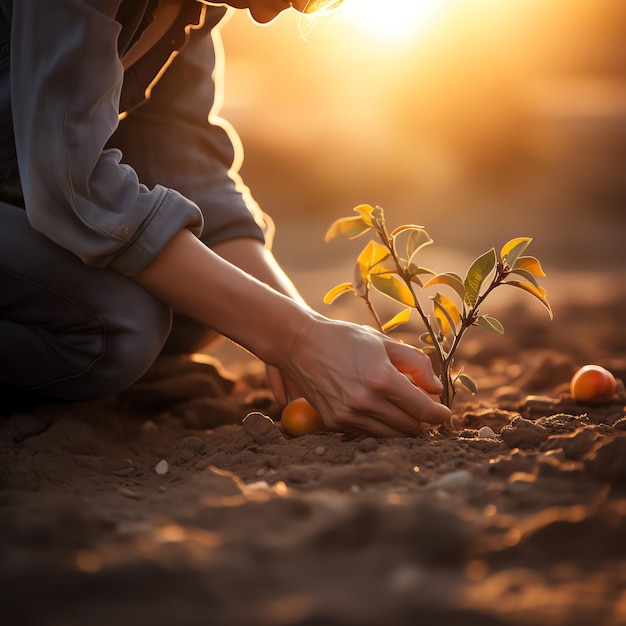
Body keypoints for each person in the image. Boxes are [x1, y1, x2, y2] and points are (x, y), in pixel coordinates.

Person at [0, 0, 451, 436]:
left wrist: (304, 330)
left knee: (199, 308)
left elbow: (180, 155)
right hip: (40, 192)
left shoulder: (193, 7)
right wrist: (294, 338)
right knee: (118, 325)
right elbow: (71, 176)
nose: (264, 14)